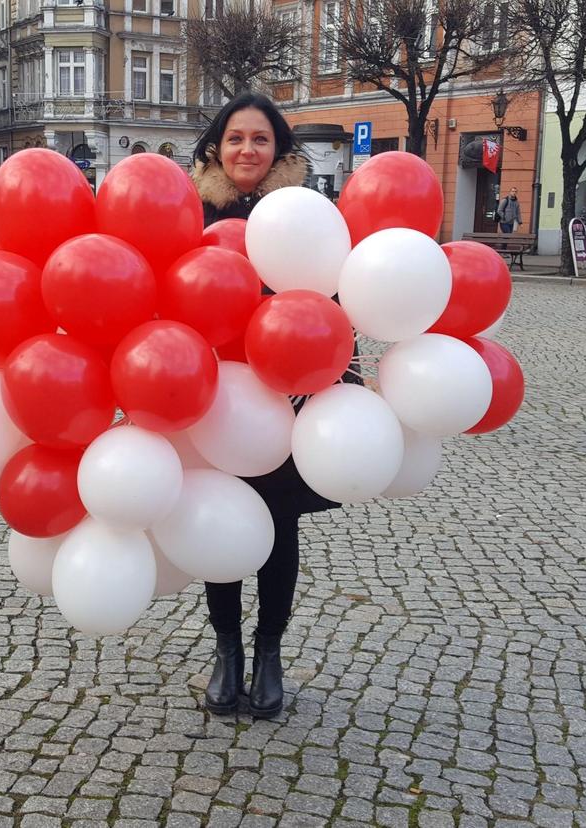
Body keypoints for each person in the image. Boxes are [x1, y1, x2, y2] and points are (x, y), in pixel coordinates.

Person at [190, 91, 358, 719]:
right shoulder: (192, 214)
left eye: (260, 139)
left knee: (278, 528)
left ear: (279, 149)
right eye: (236, 138)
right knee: (220, 523)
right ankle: (226, 651)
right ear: (217, 146)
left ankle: (268, 654)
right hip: (214, 399)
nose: (247, 150)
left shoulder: (306, 212)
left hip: (284, 399)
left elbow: (334, 296)